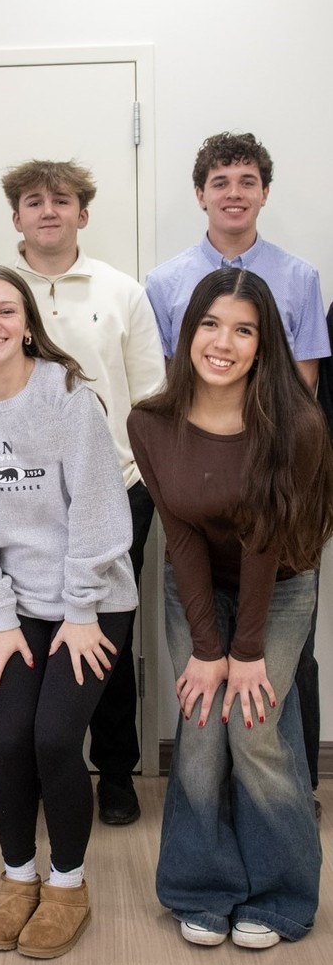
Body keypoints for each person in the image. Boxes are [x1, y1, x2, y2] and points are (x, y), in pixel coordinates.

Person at [0, 266, 137, 959]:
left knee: (54, 740)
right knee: (10, 740)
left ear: (26, 323)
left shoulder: (67, 394)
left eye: (5, 310)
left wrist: (80, 609)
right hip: (14, 606)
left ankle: (68, 883)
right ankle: (18, 877)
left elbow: (102, 515)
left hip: (92, 599)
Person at [128, 268, 330, 950]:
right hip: (197, 585)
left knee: (255, 728)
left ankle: (281, 893)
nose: (224, 342)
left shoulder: (295, 425)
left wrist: (243, 653)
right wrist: (207, 650)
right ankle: (200, 886)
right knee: (201, 726)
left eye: (244, 329)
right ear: (188, 333)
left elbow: (265, 541)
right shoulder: (151, 422)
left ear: (263, 342)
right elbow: (178, 530)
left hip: (280, 581)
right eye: (211, 324)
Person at [145, 132, 328, 803]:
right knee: (207, 652)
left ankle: (290, 790)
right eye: (220, 181)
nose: (233, 192)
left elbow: (303, 388)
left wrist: (275, 465)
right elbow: (168, 386)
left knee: (282, 664)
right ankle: (217, 803)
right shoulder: (164, 282)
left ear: (264, 193)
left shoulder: (299, 277)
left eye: (246, 180)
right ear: (201, 194)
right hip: (197, 480)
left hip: (278, 480)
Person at [2, 158, 165, 825]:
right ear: (16, 217)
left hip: (119, 490)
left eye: (61, 200)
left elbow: (151, 396)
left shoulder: (122, 290)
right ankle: (44, 763)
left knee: (106, 638)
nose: (48, 210)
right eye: (34, 201)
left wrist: (149, 485)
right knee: (32, 632)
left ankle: (118, 770)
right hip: (21, 497)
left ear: (82, 214)